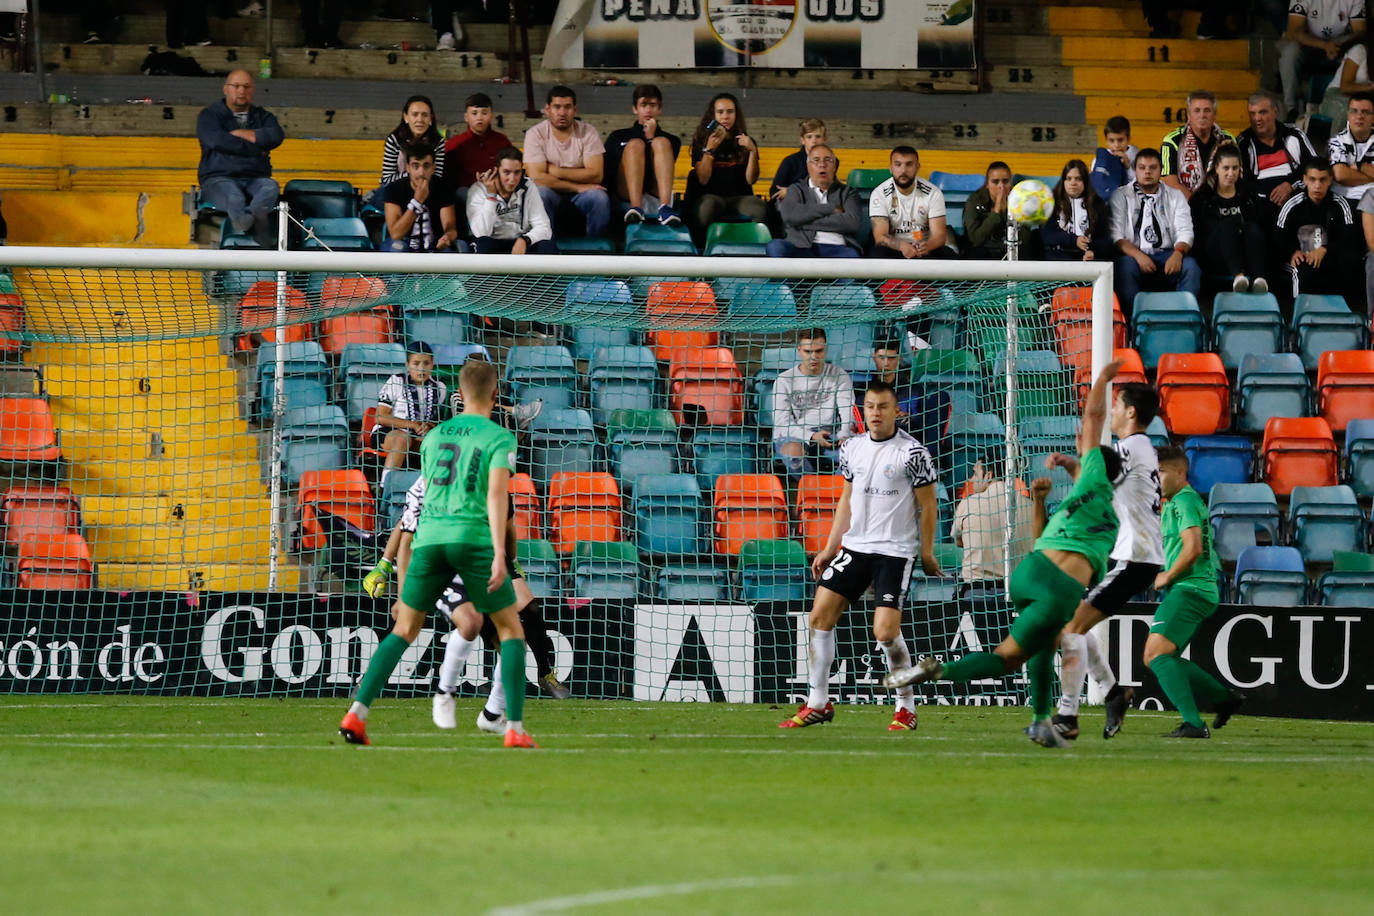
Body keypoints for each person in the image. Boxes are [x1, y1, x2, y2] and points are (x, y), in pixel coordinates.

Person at [884, 361, 1124, 750]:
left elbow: (1093, 417)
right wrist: (1103, 379)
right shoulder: (1111, 512)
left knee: (1028, 652)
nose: (1083, 444)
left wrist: (1100, 381)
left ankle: (1034, 718)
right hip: (1059, 590)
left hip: (1029, 573)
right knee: (1017, 656)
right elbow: (1096, 419)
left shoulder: (1080, 492)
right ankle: (1017, 708)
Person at [339, 358, 537, 749]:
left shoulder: (432, 437)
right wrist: (500, 553)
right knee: (512, 630)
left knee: (403, 630)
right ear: (495, 395)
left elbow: (425, 497)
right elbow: (498, 495)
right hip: (472, 539)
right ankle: (512, 727)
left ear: (458, 395)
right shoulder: (499, 437)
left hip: (429, 539)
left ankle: (356, 715)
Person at [778, 380, 941, 732]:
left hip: (894, 552)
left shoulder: (913, 454)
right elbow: (846, 500)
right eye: (870, 406)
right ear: (862, 411)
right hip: (856, 547)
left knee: (884, 633)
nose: (876, 413)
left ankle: (905, 707)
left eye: (883, 406)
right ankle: (818, 702)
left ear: (897, 411)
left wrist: (926, 551)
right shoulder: (851, 448)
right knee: (819, 617)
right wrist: (830, 546)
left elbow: (929, 506)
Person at [361, 475, 571, 719]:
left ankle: (544, 675)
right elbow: (405, 526)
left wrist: (512, 563)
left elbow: (508, 526)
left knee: (530, 610)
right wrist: (384, 566)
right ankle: (372, 678)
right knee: (411, 617)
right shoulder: (437, 481)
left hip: (491, 556)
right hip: (447, 555)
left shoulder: (495, 484)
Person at [1051, 380, 1163, 741]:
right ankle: (1113, 693)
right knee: (1074, 624)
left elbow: (1097, 482)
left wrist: (1082, 454)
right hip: (1129, 555)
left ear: (1131, 412)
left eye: (1117, 405)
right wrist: (1073, 464)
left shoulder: (1129, 447)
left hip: (1134, 557)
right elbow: (1097, 484)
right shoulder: (1141, 448)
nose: (1112, 412)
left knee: (1070, 628)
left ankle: (1068, 714)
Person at [1146, 446, 1247, 739]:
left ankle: (1194, 723)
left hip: (1190, 588)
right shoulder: (1177, 501)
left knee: (1156, 656)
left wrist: (1167, 575)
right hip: (1194, 589)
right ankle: (1224, 699)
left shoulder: (1184, 502)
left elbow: (1193, 549)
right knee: (1163, 657)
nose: (1156, 479)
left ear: (1180, 473)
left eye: (1161, 472)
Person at [1110, 147, 1201, 318]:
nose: (1147, 172)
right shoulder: (1121, 195)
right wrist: (1138, 256)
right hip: (1135, 258)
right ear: (1135, 170)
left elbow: (1185, 231)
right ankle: (1135, 322)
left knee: (1191, 267)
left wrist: (1178, 254)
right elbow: (1116, 236)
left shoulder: (1175, 196)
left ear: (1160, 170)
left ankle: (1185, 320)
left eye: (1153, 167)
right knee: (1124, 266)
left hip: (1167, 255)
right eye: (1142, 167)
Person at [196, 70, 283, 247]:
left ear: (253, 90)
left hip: (254, 178)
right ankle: (252, 233)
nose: (241, 91)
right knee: (234, 197)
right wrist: (256, 147)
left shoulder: (264, 116)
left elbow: (276, 136)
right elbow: (216, 140)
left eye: (246, 86)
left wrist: (239, 135)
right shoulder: (209, 115)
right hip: (218, 179)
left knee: (270, 187)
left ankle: (246, 224)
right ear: (226, 89)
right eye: (236, 86)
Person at [523, 86, 610, 239]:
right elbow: (537, 178)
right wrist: (577, 186)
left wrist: (556, 171)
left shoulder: (588, 132)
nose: (562, 112)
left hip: (582, 196)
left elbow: (596, 175)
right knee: (540, 193)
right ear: (547, 109)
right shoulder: (535, 134)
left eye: (567, 107)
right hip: (554, 193)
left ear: (575, 110)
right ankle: (548, 249)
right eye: (557, 107)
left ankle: (594, 251)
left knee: (599, 197)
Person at [1276, 157, 1361, 312]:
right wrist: (1292, 252)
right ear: (1305, 180)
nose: (1317, 186)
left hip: (1327, 256)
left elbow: (1349, 239)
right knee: (1300, 270)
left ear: (1330, 180)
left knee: (1349, 262)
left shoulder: (1340, 205)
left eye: (1322, 180)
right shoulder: (1293, 205)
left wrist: (1324, 249)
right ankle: (1300, 318)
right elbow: (1278, 238)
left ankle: (1344, 315)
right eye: (1312, 179)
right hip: (1297, 258)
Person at [684, 92, 768, 246]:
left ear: (736, 114)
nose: (725, 116)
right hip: (709, 196)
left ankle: (753, 251)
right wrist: (709, 150)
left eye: (730, 112)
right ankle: (702, 253)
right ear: (713, 114)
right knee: (708, 205)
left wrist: (752, 151)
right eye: (720, 112)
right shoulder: (702, 140)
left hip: (737, 198)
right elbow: (703, 179)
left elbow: (751, 179)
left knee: (759, 207)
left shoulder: (745, 141)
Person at [771, 328, 855, 478]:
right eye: (808, 352)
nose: (814, 357)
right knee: (792, 453)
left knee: (857, 452)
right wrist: (811, 436)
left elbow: (847, 409)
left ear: (826, 349)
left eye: (819, 351)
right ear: (799, 350)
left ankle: (834, 493)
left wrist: (844, 433)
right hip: (797, 433)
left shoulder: (839, 375)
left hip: (832, 432)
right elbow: (782, 423)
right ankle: (812, 493)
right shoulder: (784, 380)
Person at [1190, 143, 1272, 293]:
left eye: (1235, 168)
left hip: (1244, 253)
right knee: (1228, 225)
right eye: (1226, 168)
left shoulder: (1248, 195)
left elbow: (1259, 227)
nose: (1231, 173)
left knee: (1252, 227)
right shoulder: (1203, 198)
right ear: (1216, 168)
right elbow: (1201, 234)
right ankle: (1238, 278)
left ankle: (1258, 279)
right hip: (1215, 254)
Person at [951, 452, 1034, 587]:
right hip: (1022, 591)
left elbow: (960, 541)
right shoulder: (1030, 506)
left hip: (978, 591)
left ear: (989, 476)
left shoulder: (968, 504)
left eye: (975, 474)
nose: (971, 479)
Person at [372, 340, 448, 489]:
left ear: (432, 364)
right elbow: (380, 417)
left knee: (441, 445)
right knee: (402, 439)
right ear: (407, 365)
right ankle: (384, 489)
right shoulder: (396, 381)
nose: (421, 369)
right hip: (389, 433)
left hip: (418, 436)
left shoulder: (440, 388)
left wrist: (428, 426)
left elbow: (435, 421)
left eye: (426, 363)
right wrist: (412, 425)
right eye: (416, 363)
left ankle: (434, 491)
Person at [604, 84, 683, 226]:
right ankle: (636, 208)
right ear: (635, 108)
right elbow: (608, 170)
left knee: (661, 143)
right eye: (643, 105)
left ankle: (665, 208)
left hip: (655, 193)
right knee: (635, 144)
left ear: (660, 108)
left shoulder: (672, 140)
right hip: (625, 194)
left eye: (653, 105)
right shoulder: (617, 136)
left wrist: (651, 138)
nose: (648, 110)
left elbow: (662, 169)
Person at [766, 144, 863, 258]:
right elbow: (790, 216)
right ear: (808, 166)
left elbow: (852, 223)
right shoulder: (796, 189)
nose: (822, 165)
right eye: (816, 160)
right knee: (775, 246)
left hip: (837, 248)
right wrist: (830, 208)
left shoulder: (848, 192)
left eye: (828, 160)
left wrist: (802, 222)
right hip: (801, 247)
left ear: (835, 165)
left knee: (852, 256)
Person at [1279, 0, 1365, 120]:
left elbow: (1360, 32)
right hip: (1308, 44)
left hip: (1340, 46)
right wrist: (1324, 45)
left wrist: (1339, 45)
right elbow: (1294, 30)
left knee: (1360, 51)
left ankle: (1356, 106)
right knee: (1289, 52)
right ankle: (1291, 108)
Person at [467, 146, 557, 255]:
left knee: (546, 245)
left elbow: (544, 227)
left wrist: (525, 239)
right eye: (506, 172)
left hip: (520, 242)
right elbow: (480, 233)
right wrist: (491, 196)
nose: (512, 179)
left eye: (517, 172)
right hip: (492, 242)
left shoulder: (528, 186)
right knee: (483, 243)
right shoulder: (478, 190)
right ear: (496, 171)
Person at [1236, 90, 1316, 213]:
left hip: (1297, 200)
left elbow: (1315, 168)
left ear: (1275, 111)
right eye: (1252, 113)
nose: (1257, 118)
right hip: (1260, 207)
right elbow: (1244, 183)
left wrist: (1291, 185)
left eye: (1262, 112)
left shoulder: (1294, 134)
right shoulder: (1243, 142)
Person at [868, 145, 953, 259]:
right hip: (895, 249)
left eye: (909, 164)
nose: (903, 170)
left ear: (917, 167)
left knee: (947, 254)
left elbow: (939, 236)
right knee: (877, 252)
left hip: (924, 248)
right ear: (891, 168)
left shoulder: (933, 193)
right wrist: (902, 246)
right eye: (898, 164)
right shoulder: (879, 194)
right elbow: (880, 236)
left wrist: (926, 246)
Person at [382, 144, 464, 254]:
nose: (421, 173)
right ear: (407, 167)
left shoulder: (443, 188)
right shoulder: (394, 189)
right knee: (397, 247)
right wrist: (417, 202)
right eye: (416, 166)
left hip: (435, 242)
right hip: (402, 242)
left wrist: (447, 237)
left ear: (433, 168)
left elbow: (450, 227)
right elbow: (396, 234)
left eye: (426, 166)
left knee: (455, 249)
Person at [372, 95, 446, 211]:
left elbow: (437, 176)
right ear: (406, 117)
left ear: (431, 118)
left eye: (425, 115)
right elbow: (387, 178)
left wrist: (418, 180)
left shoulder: (438, 142)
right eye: (415, 114)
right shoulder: (394, 139)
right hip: (397, 190)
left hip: (428, 189)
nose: (420, 120)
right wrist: (415, 176)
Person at [1160, 90, 1238, 200]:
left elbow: (1236, 176)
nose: (1202, 115)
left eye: (1207, 110)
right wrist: (1197, 206)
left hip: (1221, 204)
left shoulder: (1227, 139)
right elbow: (1171, 183)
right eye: (1197, 110)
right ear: (1189, 115)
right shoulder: (1173, 140)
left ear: (1214, 115)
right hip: (1185, 206)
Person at [1039, 158, 1112, 261]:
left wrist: (1093, 252)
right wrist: (1074, 241)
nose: (1073, 183)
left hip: (1086, 260)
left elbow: (1104, 239)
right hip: (1056, 258)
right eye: (1069, 178)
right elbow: (1047, 235)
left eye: (1078, 179)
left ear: (1085, 182)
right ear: (1063, 181)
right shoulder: (1051, 202)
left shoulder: (1097, 204)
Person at [445, 93, 512, 190]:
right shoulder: (455, 144)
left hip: (497, 190)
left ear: (491, 116)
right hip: (465, 193)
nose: (479, 117)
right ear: (466, 117)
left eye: (484, 113)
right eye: (474, 113)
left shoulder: (502, 142)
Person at [962, 161, 1014, 259]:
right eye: (995, 182)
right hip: (982, 254)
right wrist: (996, 213)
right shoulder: (975, 201)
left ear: (1011, 183)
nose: (1001, 186)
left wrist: (1007, 211)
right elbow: (976, 239)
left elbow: (1024, 240)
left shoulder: (1018, 201)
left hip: (1009, 251)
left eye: (1005, 181)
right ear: (987, 184)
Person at [1329, 92, 1374, 201]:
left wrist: (1359, 167)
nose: (1359, 116)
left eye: (1365, 112)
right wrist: (1370, 177)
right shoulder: (1337, 141)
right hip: (1342, 199)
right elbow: (1340, 175)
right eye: (1354, 111)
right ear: (1348, 116)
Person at [769, 118, 828, 201]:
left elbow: (825, 188)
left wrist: (793, 192)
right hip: (792, 205)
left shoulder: (831, 161)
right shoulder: (790, 162)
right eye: (809, 137)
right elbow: (775, 192)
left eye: (818, 136)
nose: (814, 141)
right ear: (802, 140)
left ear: (824, 139)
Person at [1091, 116, 1138, 203]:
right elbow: (1096, 184)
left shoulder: (1137, 156)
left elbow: (1139, 185)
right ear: (1106, 140)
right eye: (1111, 141)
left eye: (1120, 140)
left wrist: (1127, 167)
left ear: (1128, 138)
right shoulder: (1100, 160)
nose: (1116, 145)